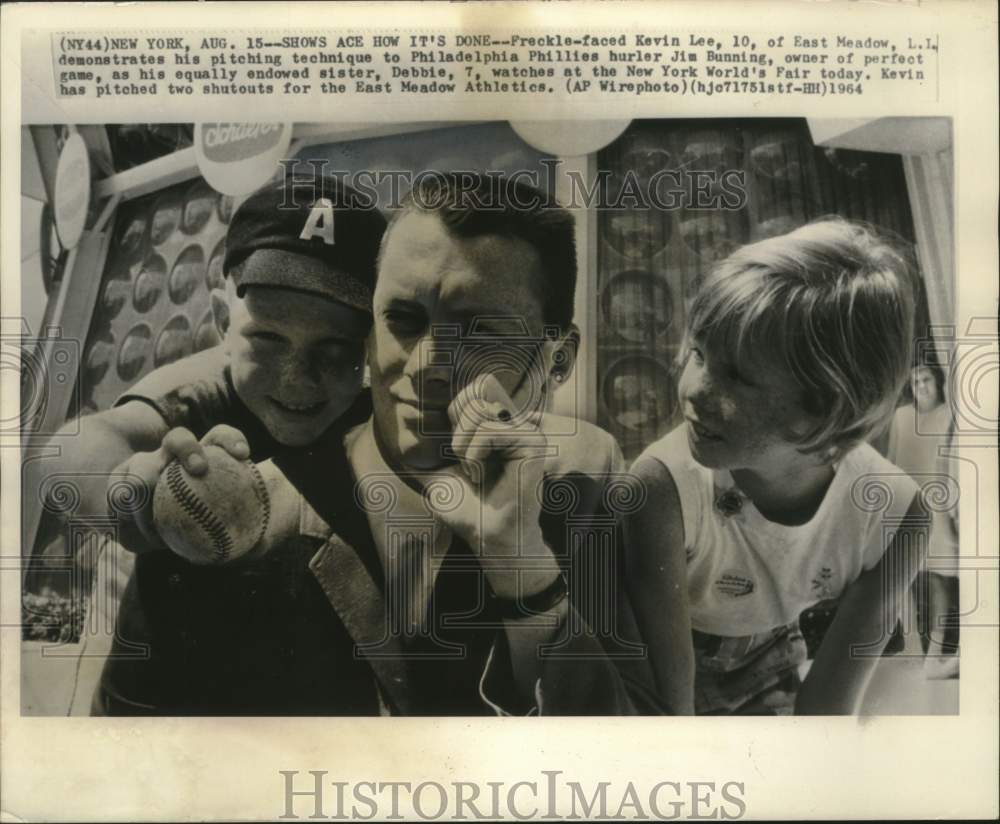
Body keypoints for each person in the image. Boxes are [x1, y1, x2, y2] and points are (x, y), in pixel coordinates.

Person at [162, 173, 662, 715]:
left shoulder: (585, 491)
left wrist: (524, 572)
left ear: (556, 360)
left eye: (477, 332)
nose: (426, 368)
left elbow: (628, 765)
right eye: (402, 320)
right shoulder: (238, 518)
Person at [35, 175, 387, 714]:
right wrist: (128, 489)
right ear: (225, 321)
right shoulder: (204, 392)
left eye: (334, 348)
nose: (298, 378)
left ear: (371, 347)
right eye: (268, 339)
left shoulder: (383, 411)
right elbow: (72, 448)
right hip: (159, 713)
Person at [625, 218, 928, 715]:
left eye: (738, 377)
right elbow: (666, 717)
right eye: (699, 354)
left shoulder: (897, 516)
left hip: (772, 659)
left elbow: (827, 716)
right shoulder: (659, 489)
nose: (693, 390)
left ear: (827, 406)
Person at [887, 363, 960, 677]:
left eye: (926, 378)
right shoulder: (901, 417)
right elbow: (890, 462)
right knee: (905, 579)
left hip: (938, 508)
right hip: (906, 507)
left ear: (938, 381)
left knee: (937, 578)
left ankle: (937, 651)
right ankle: (913, 647)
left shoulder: (950, 415)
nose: (921, 385)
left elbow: (953, 463)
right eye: (915, 380)